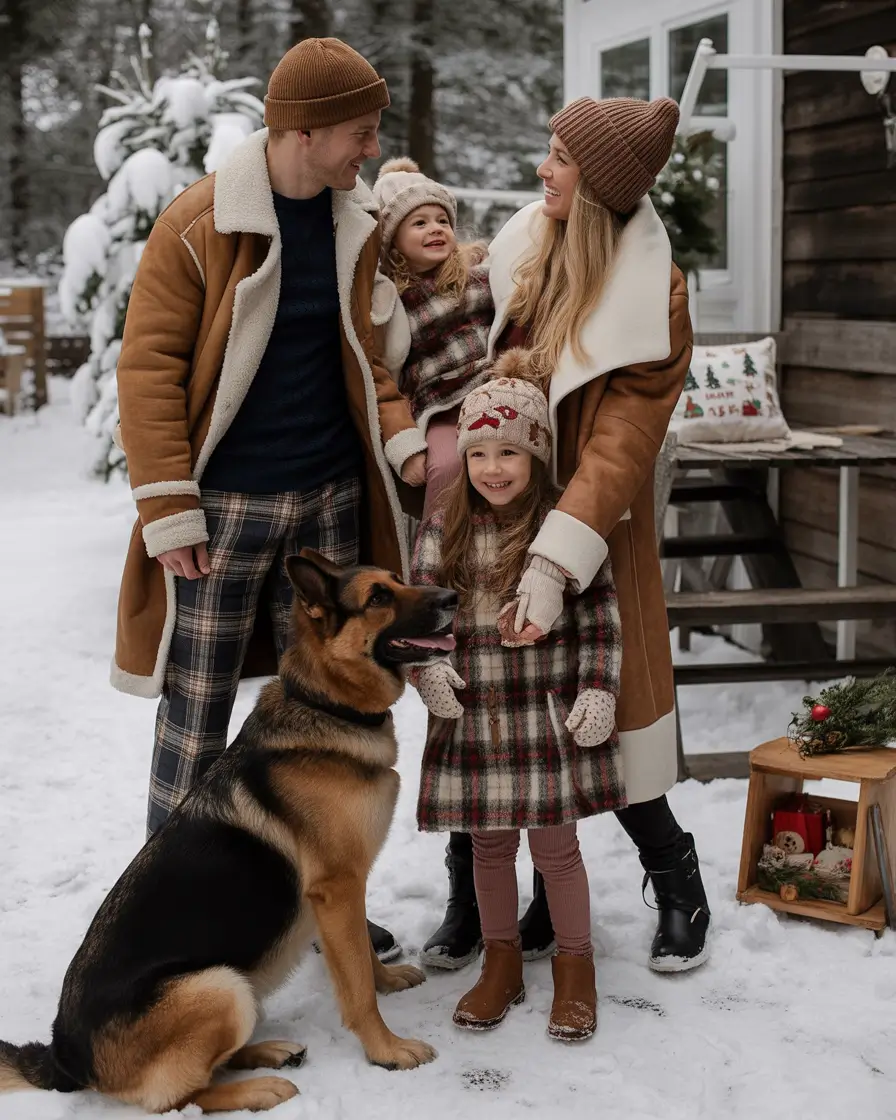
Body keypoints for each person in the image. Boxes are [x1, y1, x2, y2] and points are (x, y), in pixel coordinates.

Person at [111, 38, 429, 962]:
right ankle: (167, 915)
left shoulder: (355, 220)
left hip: (330, 501)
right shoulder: (199, 224)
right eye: (360, 133)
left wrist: (408, 442)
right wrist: (169, 506)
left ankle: (316, 894)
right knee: (197, 711)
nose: (370, 150)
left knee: (329, 713)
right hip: (224, 512)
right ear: (304, 129)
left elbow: (374, 349)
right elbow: (149, 371)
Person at [422, 95, 711, 974]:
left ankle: (676, 875)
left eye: (560, 158)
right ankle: (478, 896)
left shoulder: (652, 291)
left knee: (603, 724)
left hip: (586, 526)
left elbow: (623, 441)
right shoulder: (522, 251)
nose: (542, 170)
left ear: (601, 183)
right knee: (484, 717)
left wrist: (555, 559)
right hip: (487, 511)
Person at [410, 359, 622, 1040]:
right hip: (478, 717)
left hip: (545, 715)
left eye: (509, 451)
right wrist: (429, 672)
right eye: (479, 452)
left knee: (556, 852)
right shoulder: (443, 525)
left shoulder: (564, 529)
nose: (493, 467)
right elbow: (421, 616)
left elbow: (601, 621)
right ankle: (500, 960)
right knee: (489, 849)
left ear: (536, 453)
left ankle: (575, 966)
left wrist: (598, 688)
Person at [372, 158, 493, 518]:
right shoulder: (388, 297)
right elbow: (384, 364)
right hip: (437, 401)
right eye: (420, 223)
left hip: (488, 386)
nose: (435, 229)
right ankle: (434, 559)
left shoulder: (478, 273)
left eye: (442, 221)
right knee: (444, 467)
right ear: (393, 240)